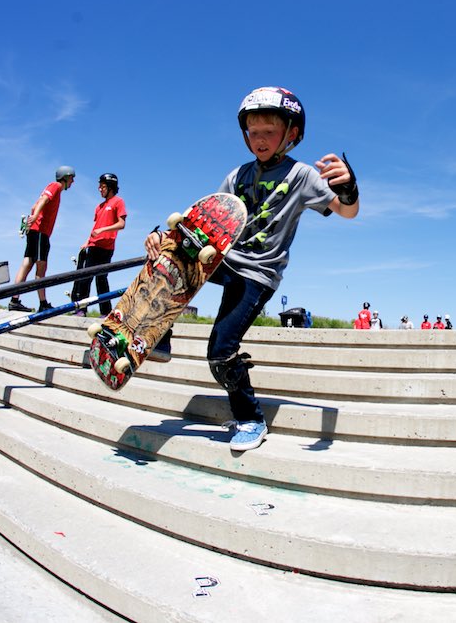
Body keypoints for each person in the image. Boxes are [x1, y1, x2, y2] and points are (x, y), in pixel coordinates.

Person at [144, 86, 359, 452]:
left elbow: (347, 211)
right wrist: (166, 240)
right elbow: (206, 223)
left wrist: (349, 189)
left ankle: (251, 419)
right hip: (225, 261)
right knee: (172, 250)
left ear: (291, 133)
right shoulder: (237, 176)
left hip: (258, 275)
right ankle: (159, 332)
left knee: (220, 351)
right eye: (253, 131)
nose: (259, 139)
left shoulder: (302, 175)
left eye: (269, 131)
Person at [9, 166, 76, 312]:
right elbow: (43, 200)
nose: (73, 182)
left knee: (27, 263)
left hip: (35, 231)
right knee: (41, 267)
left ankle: (14, 300)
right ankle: (43, 303)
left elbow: (34, 205)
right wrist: (34, 217)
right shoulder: (55, 186)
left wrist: (33, 217)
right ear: (65, 177)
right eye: (72, 178)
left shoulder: (53, 188)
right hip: (40, 232)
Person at [72, 173, 127, 317]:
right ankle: (81, 309)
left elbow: (121, 224)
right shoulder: (99, 207)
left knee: (101, 279)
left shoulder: (118, 202)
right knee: (86, 278)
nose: (100, 189)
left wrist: (103, 230)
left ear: (110, 187)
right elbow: (95, 227)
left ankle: (105, 312)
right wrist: (87, 241)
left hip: (106, 248)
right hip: (93, 246)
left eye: (102, 187)